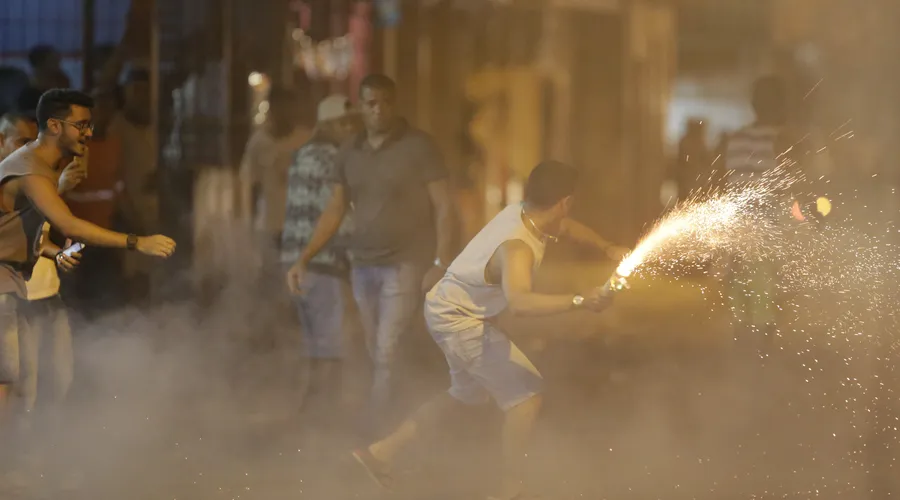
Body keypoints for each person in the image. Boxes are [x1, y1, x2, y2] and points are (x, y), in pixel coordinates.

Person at [351, 160, 619, 500]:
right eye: (571, 203)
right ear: (565, 202)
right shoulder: (517, 247)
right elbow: (520, 303)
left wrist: (608, 248)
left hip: (448, 309)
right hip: (458, 318)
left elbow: (568, 229)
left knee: (465, 395)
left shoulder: (525, 213)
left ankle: (378, 454)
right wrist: (582, 300)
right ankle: (511, 491)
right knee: (526, 398)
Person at [286, 74, 456, 435]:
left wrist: (440, 262)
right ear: (361, 106)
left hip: (405, 262)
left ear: (394, 104)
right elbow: (334, 209)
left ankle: (377, 430)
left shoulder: (418, 146)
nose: (378, 110)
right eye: (370, 103)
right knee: (374, 346)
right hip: (363, 264)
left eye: (385, 102)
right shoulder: (349, 150)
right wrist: (304, 258)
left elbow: (444, 206)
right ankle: (401, 414)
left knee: (387, 347)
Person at [0, 89, 175, 420]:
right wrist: (138, 242)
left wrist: (51, 251)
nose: (89, 133)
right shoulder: (30, 170)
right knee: (9, 388)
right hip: (4, 291)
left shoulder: (38, 168)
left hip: (12, 288)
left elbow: (18, 227)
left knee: (20, 384)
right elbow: (70, 225)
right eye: (81, 125)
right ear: (54, 126)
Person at [0, 112, 83, 427]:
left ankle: (45, 449)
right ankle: (20, 456)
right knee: (26, 385)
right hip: (18, 298)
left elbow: (40, 234)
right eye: (21, 141)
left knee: (62, 376)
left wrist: (60, 252)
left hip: (48, 293)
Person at [281, 95, 359, 420]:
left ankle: (308, 415)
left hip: (294, 262)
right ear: (330, 125)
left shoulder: (303, 154)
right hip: (322, 262)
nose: (351, 130)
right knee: (332, 347)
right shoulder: (331, 159)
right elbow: (337, 213)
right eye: (346, 124)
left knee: (316, 347)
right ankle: (325, 420)